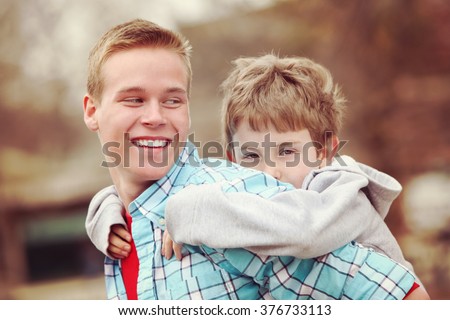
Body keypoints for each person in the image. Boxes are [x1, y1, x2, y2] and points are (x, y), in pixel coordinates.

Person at [83, 19, 426, 300]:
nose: (155, 117)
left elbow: (410, 300)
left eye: (172, 100)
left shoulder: (241, 208)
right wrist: (103, 214)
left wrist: (198, 212)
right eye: (133, 99)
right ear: (92, 111)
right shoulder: (123, 225)